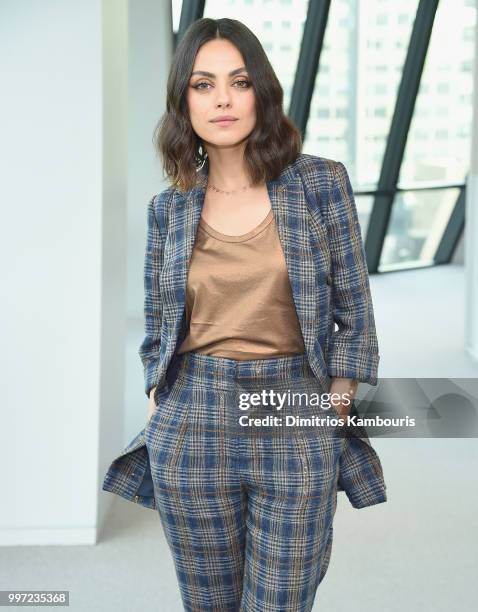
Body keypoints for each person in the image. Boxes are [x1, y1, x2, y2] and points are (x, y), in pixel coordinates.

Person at [104, 16, 387, 612]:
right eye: (203, 85)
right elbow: (159, 325)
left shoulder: (320, 184)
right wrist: (160, 396)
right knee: (208, 604)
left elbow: (354, 312)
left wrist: (330, 409)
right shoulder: (169, 209)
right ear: (184, 101)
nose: (223, 99)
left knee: (282, 600)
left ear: (262, 90)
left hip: (293, 408)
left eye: (238, 81)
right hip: (194, 418)